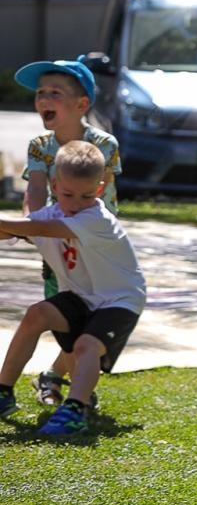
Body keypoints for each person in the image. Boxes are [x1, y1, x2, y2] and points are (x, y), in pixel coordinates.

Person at [0, 141, 146, 438]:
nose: (77, 203)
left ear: (101, 187)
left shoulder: (96, 220)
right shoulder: (51, 216)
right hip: (81, 298)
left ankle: (76, 409)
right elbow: (16, 229)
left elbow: (35, 229)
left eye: (86, 195)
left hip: (120, 300)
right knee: (36, 314)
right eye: (68, 194)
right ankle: (3, 391)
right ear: (55, 184)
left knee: (86, 346)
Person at [15, 56, 122, 408]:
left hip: (96, 246)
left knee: (91, 318)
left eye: (55, 93)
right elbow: (34, 192)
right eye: (41, 92)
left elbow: (103, 199)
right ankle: (81, 393)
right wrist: (31, 223)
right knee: (68, 315)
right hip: (58, 244)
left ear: (82, 105)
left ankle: (54, 377)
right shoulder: (40, 147)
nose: (44, 98)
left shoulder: (104, 144)